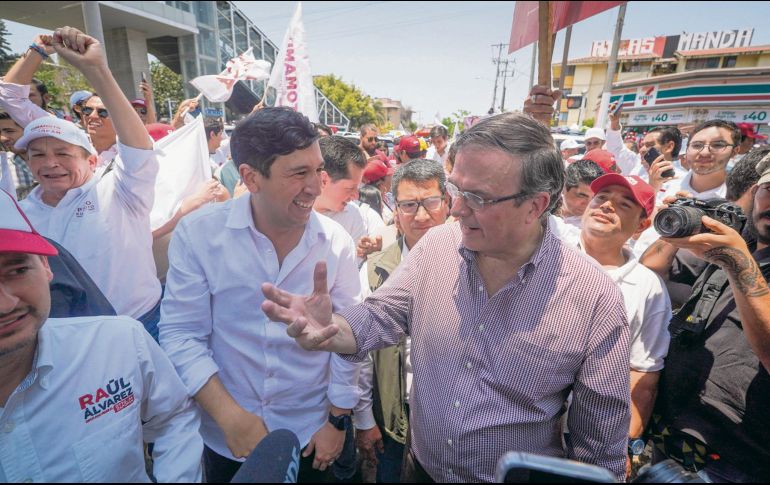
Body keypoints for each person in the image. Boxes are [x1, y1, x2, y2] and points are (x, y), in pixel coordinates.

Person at [262, 112, 631, 482]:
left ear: (535, 205)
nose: (456, 209)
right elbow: (380, 316)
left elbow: (599, 447)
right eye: (455, 190)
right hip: (418, 470)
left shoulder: (594, 299)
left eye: (477, 198)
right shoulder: (437, 247)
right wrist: (332, 328)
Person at [159, 107, 362, 483]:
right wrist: (228, 415)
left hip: (314, 437)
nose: (316, 187)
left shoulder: (337, 245)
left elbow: (351, 339)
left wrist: (337, 418)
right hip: (228, 440)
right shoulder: (199, 236)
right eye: (298, 173)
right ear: (251, 178)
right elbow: (181, 334)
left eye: (318, 170)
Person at [0, 188, 202, 482]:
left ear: (47, 267)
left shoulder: (118, 345)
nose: (5, 304)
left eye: (17, 270)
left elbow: (174, 415)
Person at [13, 28, 162, 338]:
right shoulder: (21, 214)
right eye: (37, 155)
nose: (49, 163)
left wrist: (97, 70)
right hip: (65, 338)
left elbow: (138, 147)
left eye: (62, 153)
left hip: (142, 326)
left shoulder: (120, 190)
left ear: (92, 161)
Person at [647, 152, 770, 482]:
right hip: (670, 441)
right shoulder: (733, 245)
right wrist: (681, 221)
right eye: (769, 189)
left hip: (738, 463)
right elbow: (650, 270)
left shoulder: (735, 254)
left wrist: (737, 263)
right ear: (754, 192)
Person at [355, 159, 450, 483]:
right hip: (393, 418)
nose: (421, 216)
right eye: (410, 205)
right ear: (396, 209)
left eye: (431, 203)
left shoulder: (479, 266)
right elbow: (362, 354)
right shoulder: (376, 269)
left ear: (447, 204)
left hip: (452, 424)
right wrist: (365, 418)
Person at [576, 174, 672, 474]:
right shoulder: (545, 253)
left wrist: (624, 444)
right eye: (601, 197)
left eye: (623, 204)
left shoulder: (648, 287)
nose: (606, 206)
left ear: (642, 225)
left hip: (592, 436)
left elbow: (642, 375)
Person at [0, 111, 37, 200]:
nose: (2, 138)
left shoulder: (59, 160)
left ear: (30, 130)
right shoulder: (3, 165)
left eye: (9, 131)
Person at [559, 159, 604, 229]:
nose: (588, 204)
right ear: (563, 187)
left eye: (594, 198)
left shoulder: (595, 227)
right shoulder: (542, 210)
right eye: (581, 196)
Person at [362, 156, 395, 223]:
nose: (391, 177)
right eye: (388, 176)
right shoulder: (371, 208)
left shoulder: (386, 197)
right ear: (381, 184)